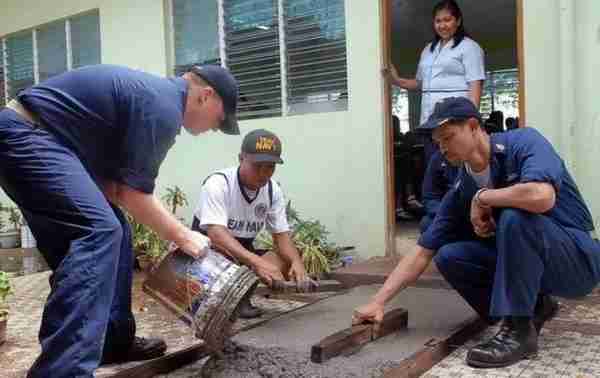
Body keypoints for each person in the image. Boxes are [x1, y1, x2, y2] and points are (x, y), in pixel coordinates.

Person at [0, 63, 240, 378]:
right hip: (28, 135)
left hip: (38, 140)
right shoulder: (163, 106)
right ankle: (61, 372)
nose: (213, 128)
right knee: (100, 232)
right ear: (206, 96)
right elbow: (131, 194)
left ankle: (111, 341)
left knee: (116, 230)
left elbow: (114, 188)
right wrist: (183, 235)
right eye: (219, 121)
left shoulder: (155, 99)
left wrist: (169, 227)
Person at [353, 97, 600, 369]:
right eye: (438, 142)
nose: (442, 148)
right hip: (538, 266)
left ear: (473, 126)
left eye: (448, 137)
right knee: (449, 255)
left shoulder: (524, 142)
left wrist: (484, 197)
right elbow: (422, 251)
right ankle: (533, 310)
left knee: (516, 216)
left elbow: (541, 196)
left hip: (577, 260)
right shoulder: (462, 186)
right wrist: (377, 302)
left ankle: (518, 333)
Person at [191, 129, 309, 319]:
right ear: (241, 158)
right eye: (257, 165)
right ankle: (217, 297)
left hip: (242, 252)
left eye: (270, 167)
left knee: (285, 258)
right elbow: (215, 234)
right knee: (238, 261)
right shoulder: (219, 183)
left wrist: (296, 263)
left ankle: (240, 295)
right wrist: (257, 262)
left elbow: (281, 236)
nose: (263, 173)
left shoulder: (272, 190)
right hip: (208, 252)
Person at [385, 0, 485, 164]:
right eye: (438, 21)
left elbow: (475, 84)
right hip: (429, 123)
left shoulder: (469, 47)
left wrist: (470, 121)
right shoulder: (428, 50)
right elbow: (419, 83)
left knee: (455, 170)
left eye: (447, 20)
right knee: (434, 169)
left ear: (458, 21)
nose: (442, 25)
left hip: (454, 122)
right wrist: (395, 79)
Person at [419, 149, 459, 233]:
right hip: (446, 213)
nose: (444, 146)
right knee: (426, 223)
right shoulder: (437, 158)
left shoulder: (476, 156)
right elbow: (429, 197)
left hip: (474, 211)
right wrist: (445, 212)